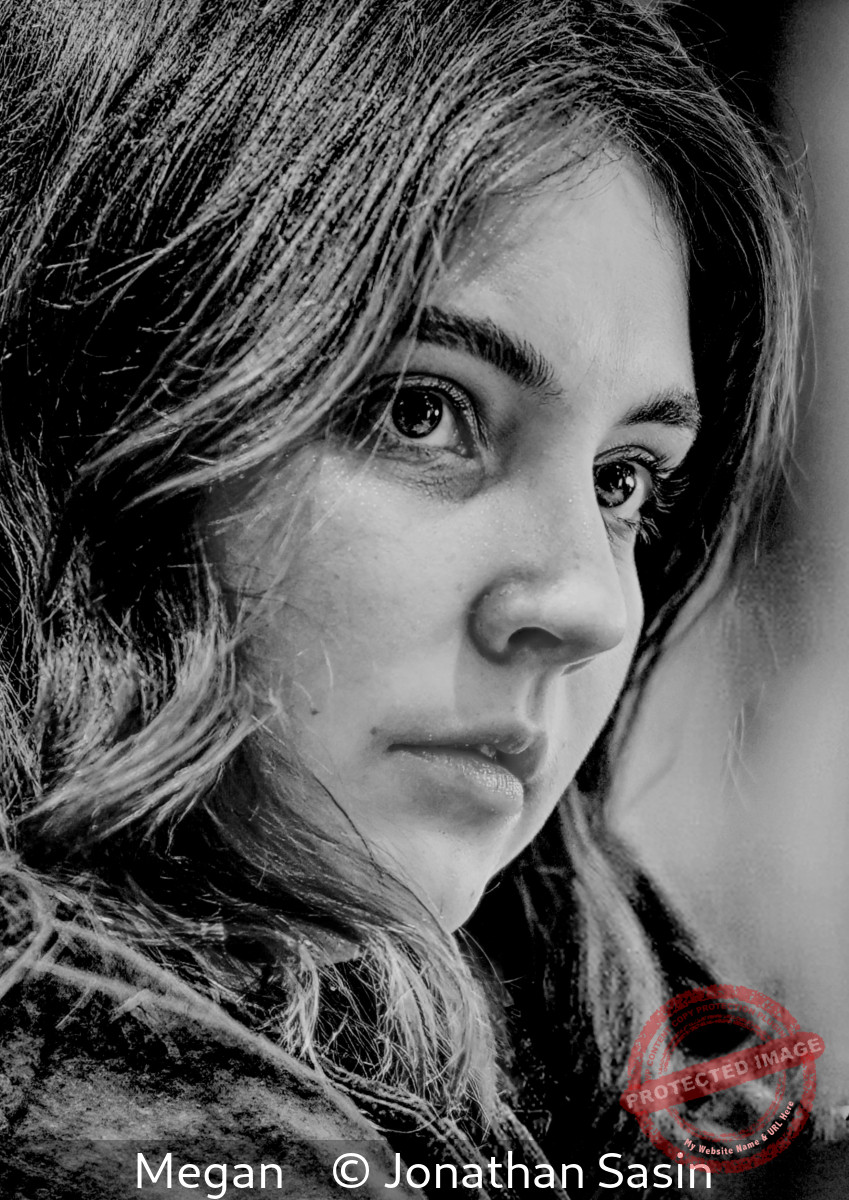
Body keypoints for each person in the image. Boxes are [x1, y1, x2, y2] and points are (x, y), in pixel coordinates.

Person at [0, 0, 803, 1196]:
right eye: (420, 411)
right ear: (87, 426)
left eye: (622, 481)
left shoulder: (618, 1044)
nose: (588, 605)